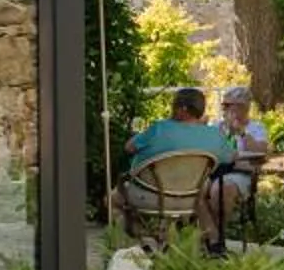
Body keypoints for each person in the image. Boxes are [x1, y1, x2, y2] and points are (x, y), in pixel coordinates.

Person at [114, 86, 235, 251]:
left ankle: (145, 239)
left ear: (182, 109)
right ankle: (212, 245)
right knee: (202, 192)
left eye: (173, 105)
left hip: (150, 196)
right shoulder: (214, 135)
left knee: (112, 201)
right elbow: (230, 158)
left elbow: (129, 148)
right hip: (191, 200)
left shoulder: (159, 129)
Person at [215, 87, 272, 233]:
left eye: (228, 105)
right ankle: (207, 235)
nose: (224, 109)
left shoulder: (256, 128)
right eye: (223, 105)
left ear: (243, 107)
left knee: (222, 190)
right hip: (216, 170)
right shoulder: (217, 126)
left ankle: (216, 237)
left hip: (240, 174)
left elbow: (260, 152)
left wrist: (241, 132)